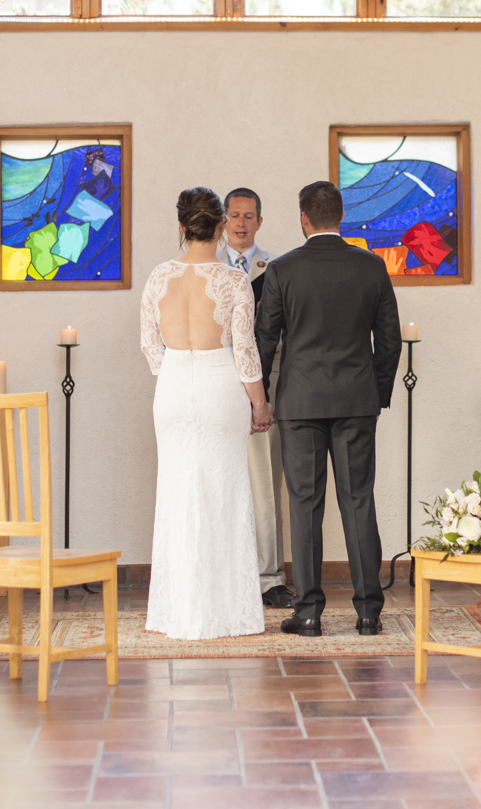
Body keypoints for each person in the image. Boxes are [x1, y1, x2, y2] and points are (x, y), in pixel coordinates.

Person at [255, 181, 401, 637]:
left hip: (299, 401)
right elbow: (391, 341)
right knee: (358, 501)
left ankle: (309, 612)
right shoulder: (372, 267)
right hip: (356, 400)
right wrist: (375, 395)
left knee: (305, 504)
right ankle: (367, 612)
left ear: (303, 218)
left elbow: (265, 340)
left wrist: (259, 397)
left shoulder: (282, 270)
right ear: (341, 215)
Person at [139, 187, 272, 640]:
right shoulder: (234, 281)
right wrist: (259, 402)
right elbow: (245, 350)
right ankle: (227, 614)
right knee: (224, 494)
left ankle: (177, 613)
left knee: (177, 494)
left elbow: (149, 345)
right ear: (219, 226)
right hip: (221, 389)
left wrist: (176, 374)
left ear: (181, 227)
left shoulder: (158, 278)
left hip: (172, 390)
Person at [216, 187, 291, 610]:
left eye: (249, 216)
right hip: (219, 384)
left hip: (267, 380)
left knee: (265, 482)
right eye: (234, 215)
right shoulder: (208, 268)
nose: (241, 223)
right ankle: (224, 571)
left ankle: (269, 577)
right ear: (223, 220)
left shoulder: (275, 268)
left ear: (260, 221)